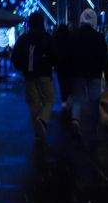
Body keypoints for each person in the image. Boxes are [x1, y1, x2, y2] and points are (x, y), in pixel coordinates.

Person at [12, 13, 57, 142]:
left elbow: (15, 56)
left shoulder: (23, 38)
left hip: (29, 75)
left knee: (33, 103)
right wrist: (52, 65)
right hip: (44, 74)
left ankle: (37, 132)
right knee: (49, 99)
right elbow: (54, 55)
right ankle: (42, 120)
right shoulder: (47, 38)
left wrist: (22, 68)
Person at [69, 8, 108, 137]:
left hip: (77, 72)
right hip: (94, 73)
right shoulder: (98, 37)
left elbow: (69, 56)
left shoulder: (74, 35)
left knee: (77, 98)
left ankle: (76, 121)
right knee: (94, 100)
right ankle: (93, 126)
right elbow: (104, 58)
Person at [52, 24, 72, 112]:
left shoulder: (56, 39)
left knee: (61, 83)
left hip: (59, 65)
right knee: (69, 81)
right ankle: (69, 96)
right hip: (69, 64)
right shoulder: (70, 38)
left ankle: (63, 100)